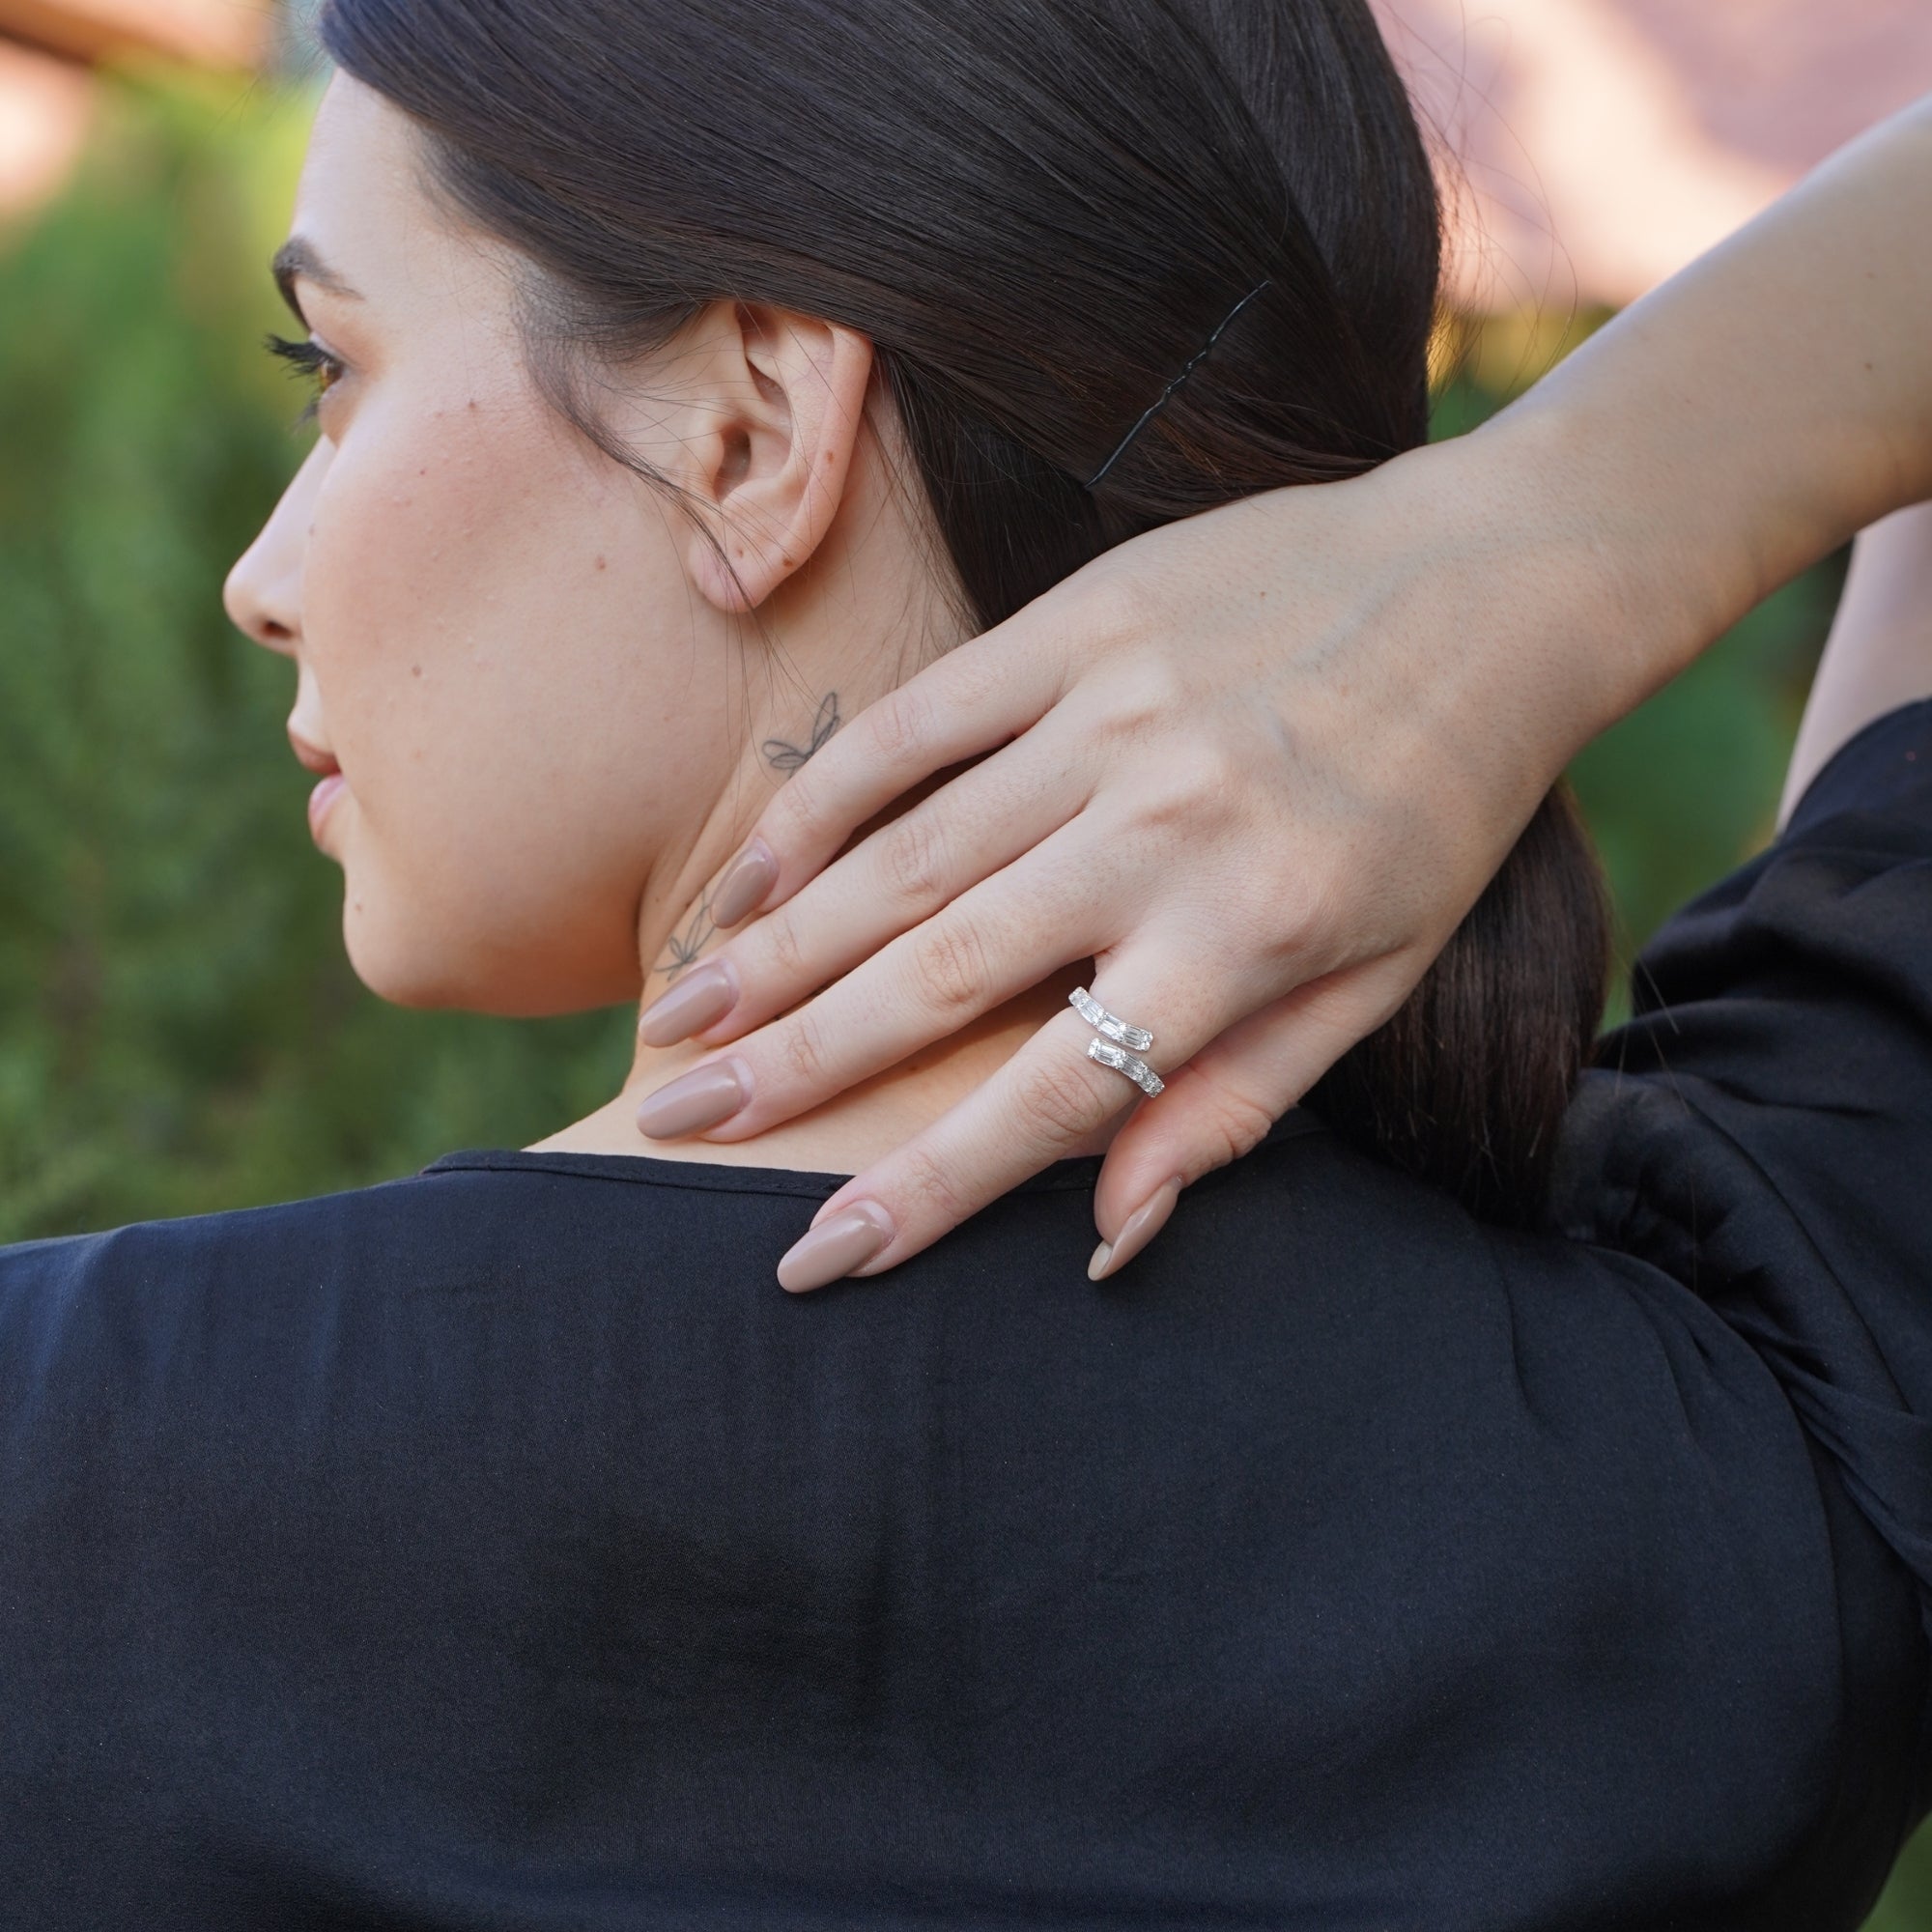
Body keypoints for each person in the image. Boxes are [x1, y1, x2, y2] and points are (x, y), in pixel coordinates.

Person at [0, 4, 1925, 1929]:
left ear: (751, 434)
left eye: (332, 367)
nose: (262, 577)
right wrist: (1548, 537)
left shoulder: (60, 1491)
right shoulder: (1751, 1478)